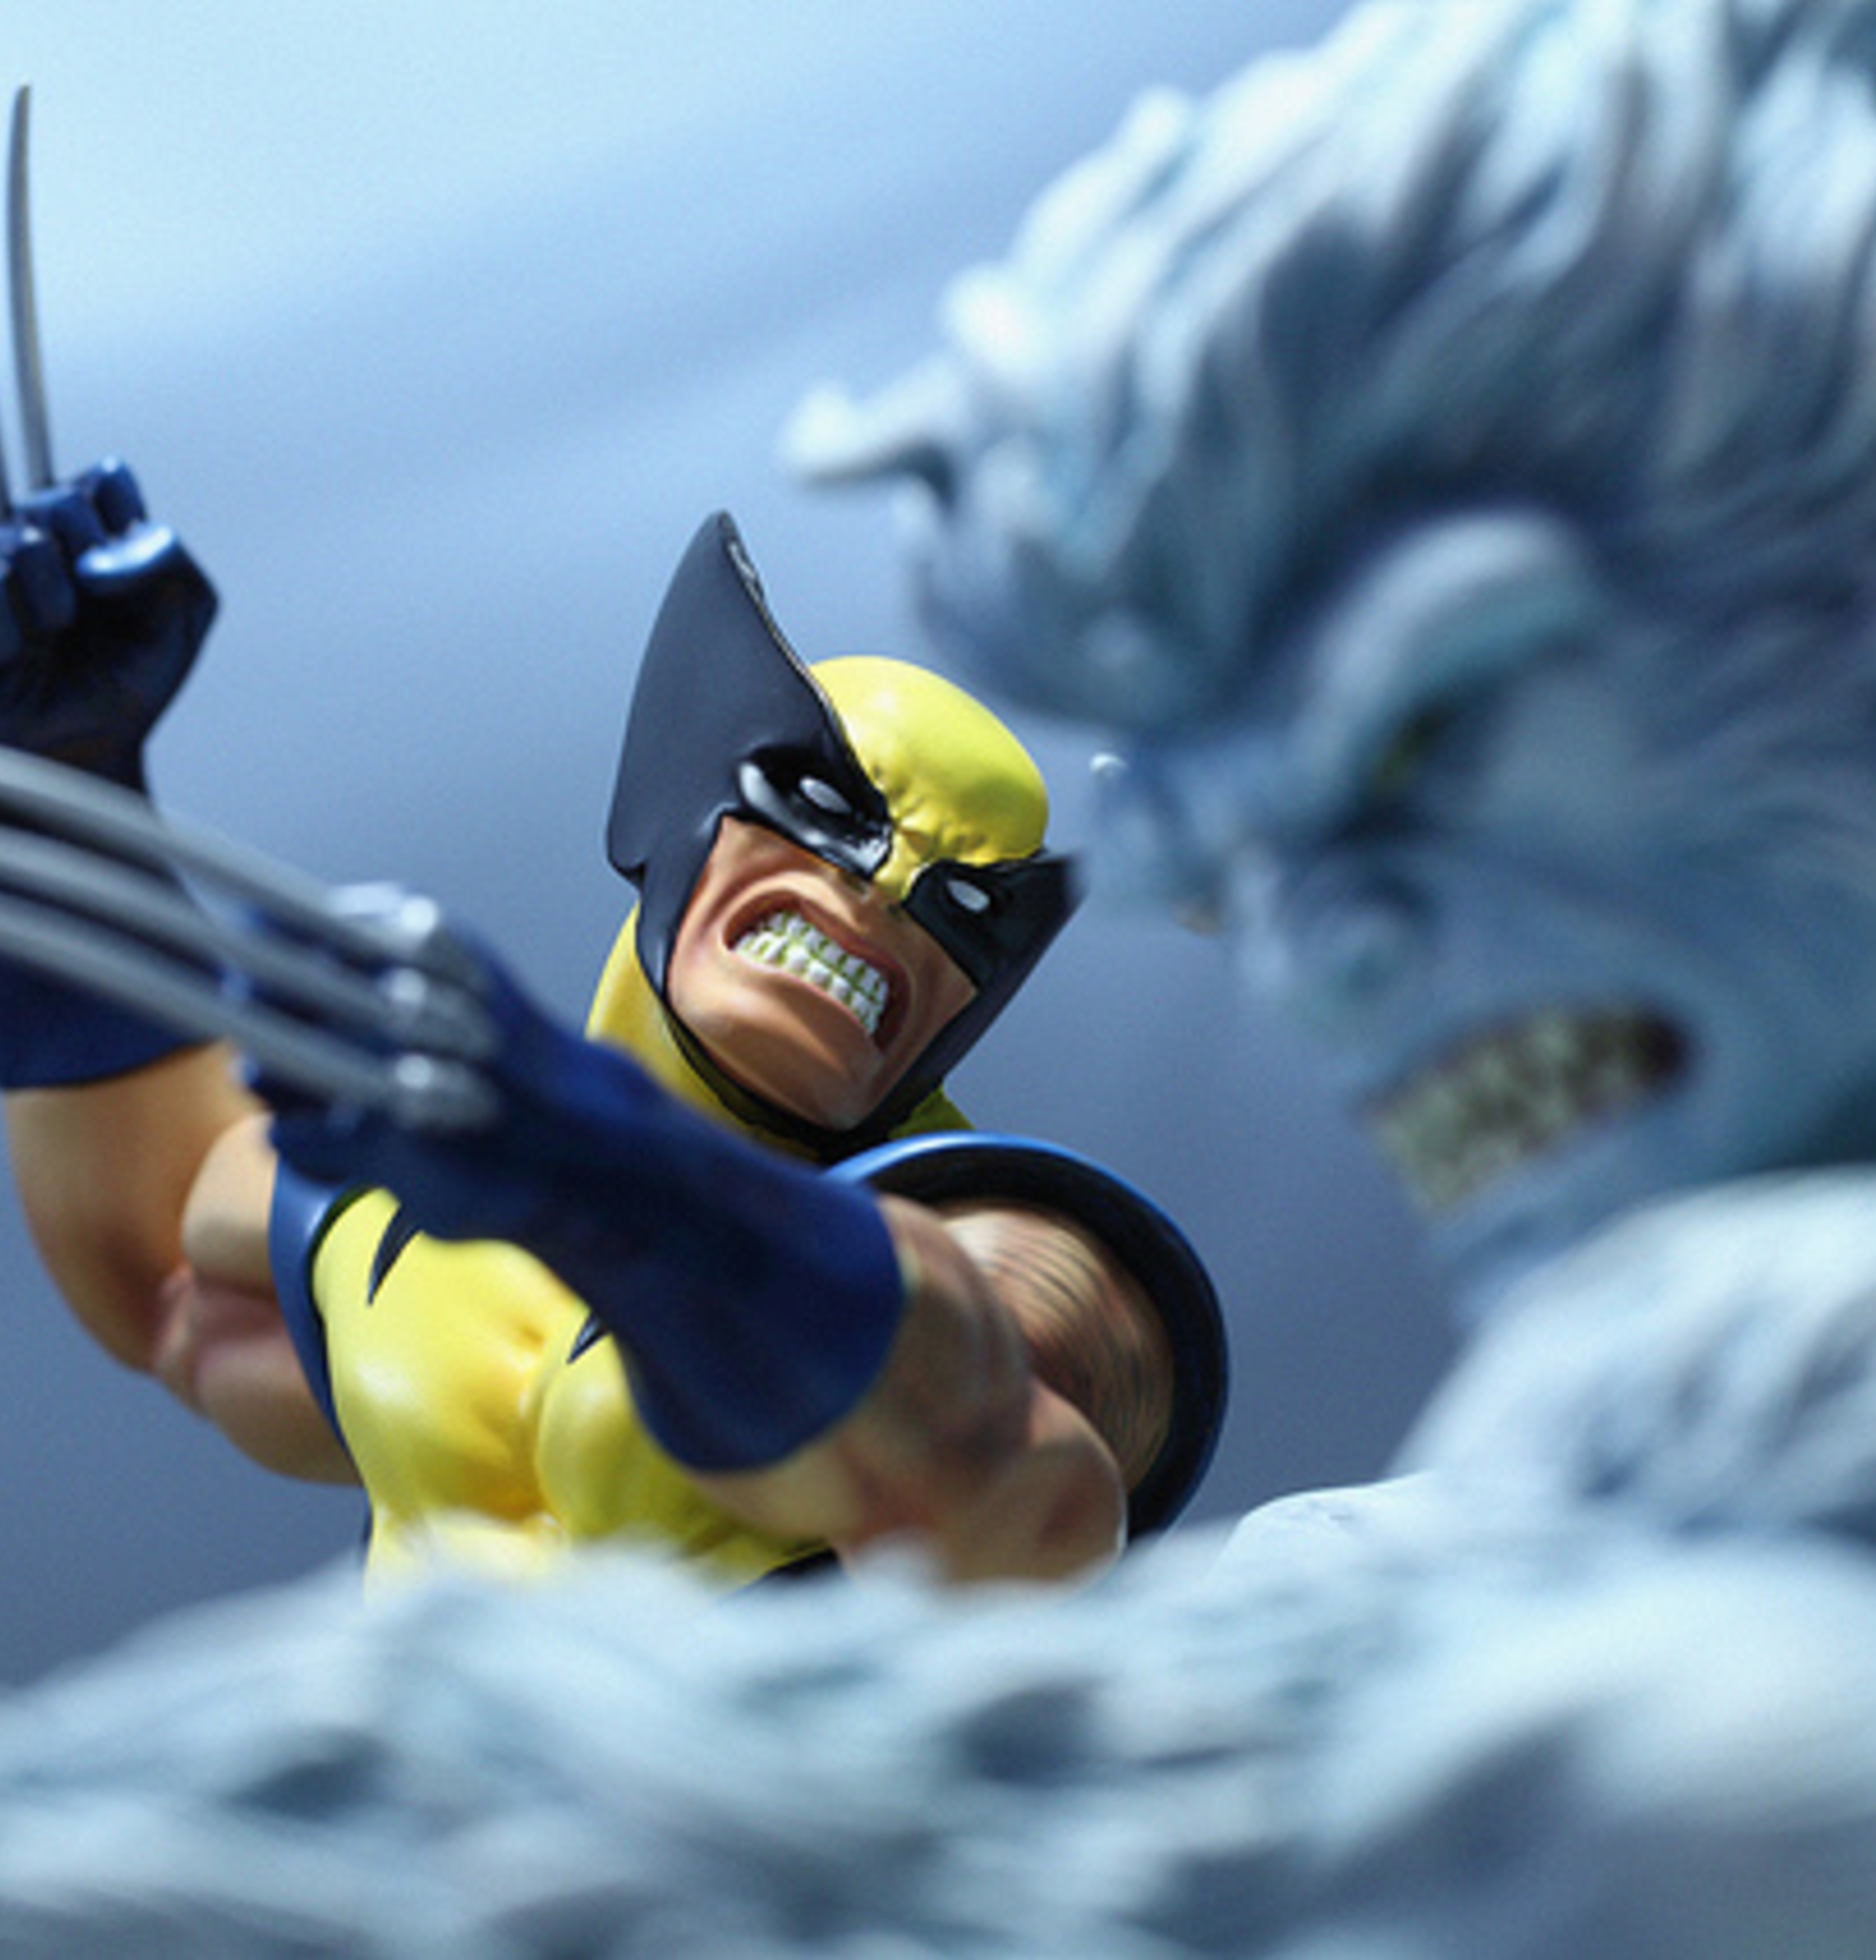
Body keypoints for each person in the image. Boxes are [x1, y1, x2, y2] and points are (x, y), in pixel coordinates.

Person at [0, 483, 1225, 1590]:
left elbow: (1010, 1459)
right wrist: (59, 809)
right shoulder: (398, 1203)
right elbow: (169, 1290)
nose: (887, 893)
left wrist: (603, 1173)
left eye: (965, 910)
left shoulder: (987, 1236)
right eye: (827, 806)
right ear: (678, 788)